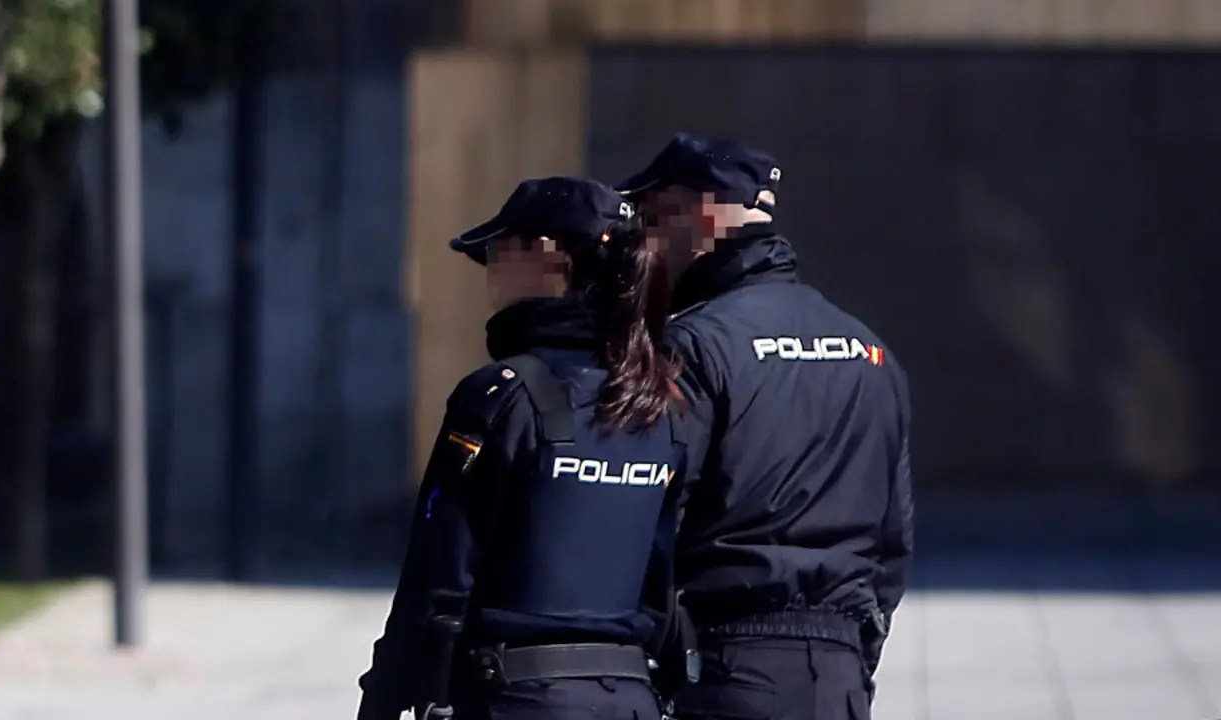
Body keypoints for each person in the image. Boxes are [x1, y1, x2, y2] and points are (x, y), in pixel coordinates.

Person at [357, 177, 691, 720]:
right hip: (630, 700)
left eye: (495, 252)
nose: (488, 274)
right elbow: (661, 588)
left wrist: (385, 700)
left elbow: (438, 576)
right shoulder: (661, 407)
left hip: (517, 700)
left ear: (546, 255)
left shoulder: (499, 395)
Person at [615, 134, 915, 720]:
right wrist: (854, 647)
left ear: (696, 211)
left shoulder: (693, 344)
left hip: (727, 668)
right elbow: (894, 538)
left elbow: (654, 511)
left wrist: (660, 654)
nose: (643, 247)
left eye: (649, 221)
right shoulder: (870, 350)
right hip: (839, 677)